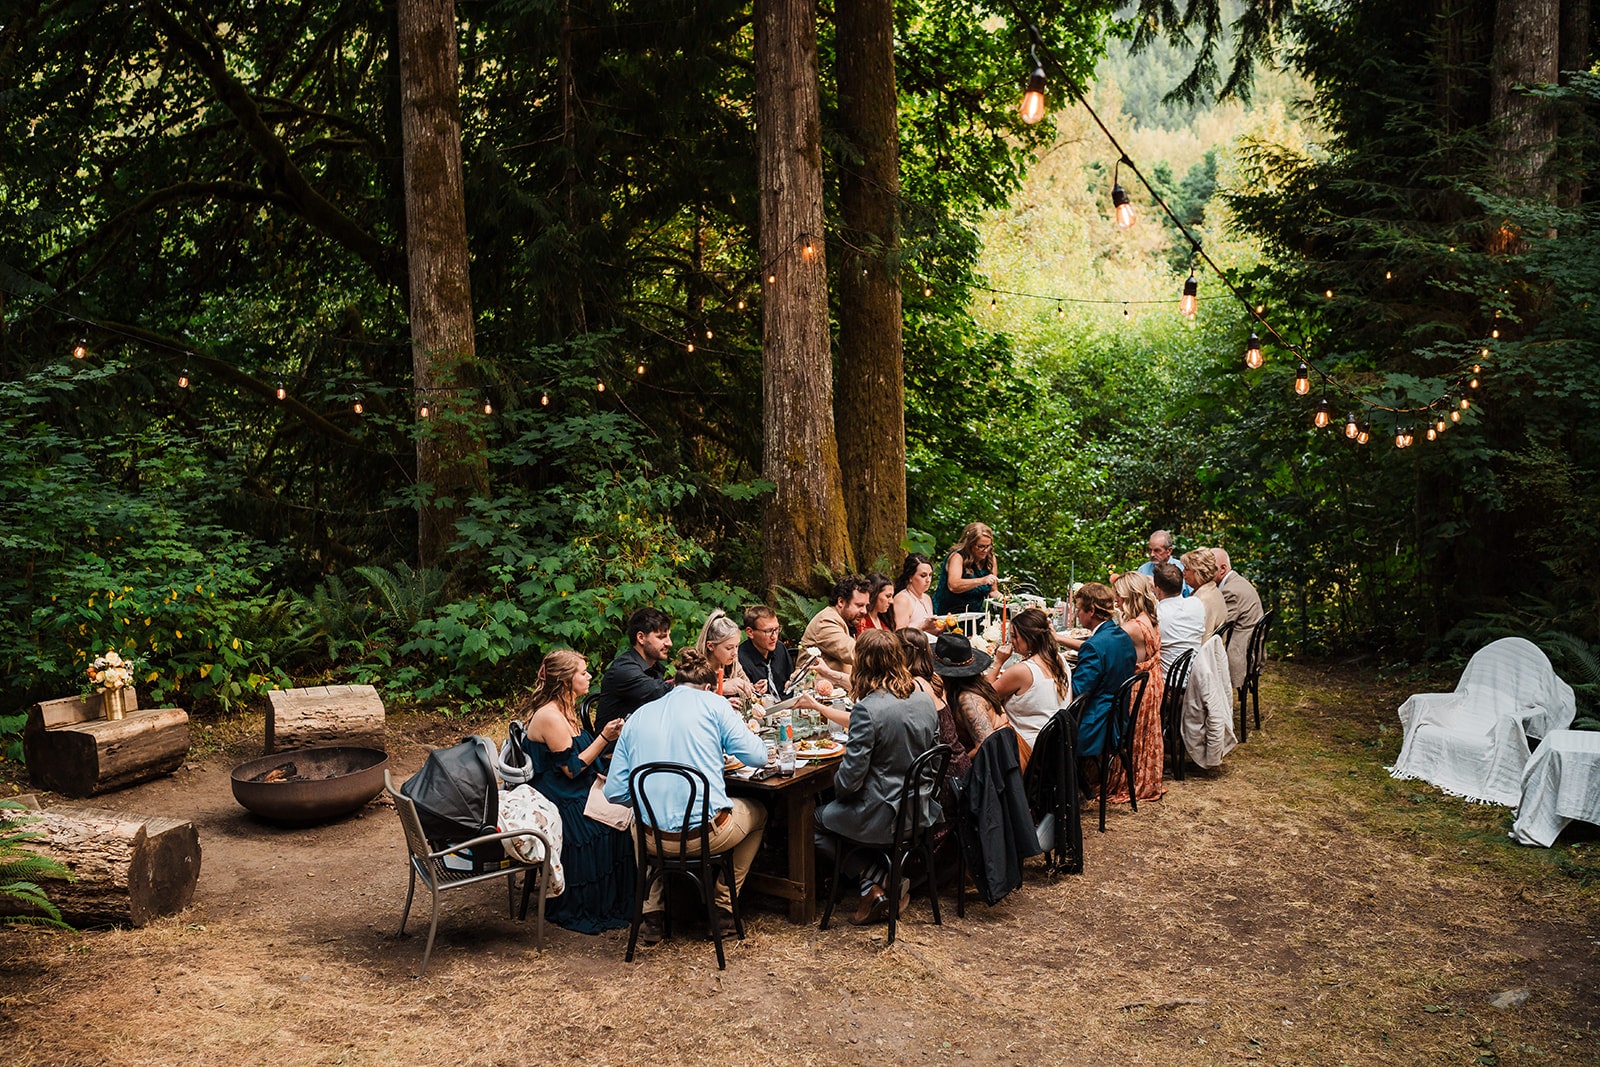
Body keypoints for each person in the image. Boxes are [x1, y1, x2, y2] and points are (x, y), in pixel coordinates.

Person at [603, 648, 769, 944]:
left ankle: (652, 911)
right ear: (708, 688)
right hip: (706, 835)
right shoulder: (715, 705)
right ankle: (723, 906)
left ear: (674, 683)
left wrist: (655, 795)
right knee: (759, 812)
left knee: (637, 819)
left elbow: (615, 792)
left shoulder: (640, 715)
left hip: (653, 839)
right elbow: (757, 756)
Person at [815, 630, 940, 925]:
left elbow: (849, 782)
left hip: (883, 816)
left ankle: (875, 877)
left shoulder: (867, 710)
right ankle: (877, 884)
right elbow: (932, 760)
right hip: (918, 809)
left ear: (862, 664)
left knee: (812, 819)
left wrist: (834, 792)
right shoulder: (924, 700)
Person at [517, 649, 634, 933]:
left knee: (626, 808)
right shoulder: (550, 716)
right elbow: (571, 768)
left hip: (576, 784)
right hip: (558, 793)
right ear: (566, 680)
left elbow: (582, 756)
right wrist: (605, 736)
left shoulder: (568, 708)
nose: (590, 676)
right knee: (601, 825)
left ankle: (624, 898)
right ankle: (588, 904)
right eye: (583, 672)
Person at [1103, 573, 1167, 803]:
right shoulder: (1149, 617)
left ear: (1128, 596)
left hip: (1137, 687)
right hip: (1151, 682)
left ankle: (1120, 777)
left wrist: (1056, 638)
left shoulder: (1131, 627)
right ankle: (1140, 774)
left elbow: (1100, 647)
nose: (1116, 601)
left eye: (1118, 597)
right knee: (1142, 734)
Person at [987, 607, 1072, 759]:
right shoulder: (1060, 659)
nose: (1011, 641)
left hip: (1027, 751)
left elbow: (985, 697)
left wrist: (998, 662)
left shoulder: (1023, 671)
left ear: (1030, 638)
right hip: (1057, 744)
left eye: (1014, 636)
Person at [1068, 582, 1137, 764]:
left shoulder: (1093, 646)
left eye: (1079, 609)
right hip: (1119, 718)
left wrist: (1059, 672)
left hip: (1096, 725)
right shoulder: (1122, 636)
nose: (1077, 614)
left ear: (1091, 611)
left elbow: (1076, 691)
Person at [930, 632, 1008, 765]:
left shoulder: (968, 699)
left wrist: (956, 761)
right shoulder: (976, 685)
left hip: (1004, 763)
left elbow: (986, 744)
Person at [596, 607, 672, 731]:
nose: (669, 643)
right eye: (661, 637)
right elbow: (657, 690)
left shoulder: (656, 668)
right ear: (641, 638)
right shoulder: (624, 669)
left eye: (668, 637)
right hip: (615, 748)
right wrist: (690, 679)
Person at [800, 574, 870, 683]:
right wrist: (885, 656)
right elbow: (853, 652)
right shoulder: (826, 621)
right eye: (859, 605)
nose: (864, 611)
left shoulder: (846, 620)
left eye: (866, 606)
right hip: (818, 692)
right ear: (841, 602)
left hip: (838, 690)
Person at [1213, 548, 1265, 691]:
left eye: (1209, 568)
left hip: (1241, 656)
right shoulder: (1237, 582)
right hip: (1249, 648)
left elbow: (1218, 627)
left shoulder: (1231, 591)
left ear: (1222, 568)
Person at [931, 522, 999, 615]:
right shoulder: (957, 557)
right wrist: (981, 581)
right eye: (981, 546)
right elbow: (953, 585)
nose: (986, 550)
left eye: (988, 546)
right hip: (950, 613)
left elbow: (993, 590)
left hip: (974, 614)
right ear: (970, 544)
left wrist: (1008, 600)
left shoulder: (990, 559)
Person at [696, 608, 760, 703]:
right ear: (710, 646)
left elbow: (746, 686)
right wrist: (720, 688)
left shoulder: (733, 663)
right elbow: (692, 700)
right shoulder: (695, 668)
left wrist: (753, 688)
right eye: (729, 648)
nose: (735, 652)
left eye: (737, 646)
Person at [1152, 561, 1205, 675]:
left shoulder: (1157, 615)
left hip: (1167, 684)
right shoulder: (1196, 604)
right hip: (1194, 677)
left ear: (1158, 589)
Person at [738, 605, 793, 696]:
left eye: (776, 629)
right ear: (750, 632)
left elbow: (790, 679)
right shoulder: (740, 659)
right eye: (768, 631)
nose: (774, 637)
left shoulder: (780, 648)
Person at [1181, 549, 1227, 641]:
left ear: (1198, 573)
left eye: (1187, 569)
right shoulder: (1212, 590)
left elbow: (1202, 639)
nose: (1183, 573)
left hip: (1206, 653)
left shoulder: (1203, 599)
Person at [891, 553, 942, 631]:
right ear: (910, 577)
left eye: (930, 575)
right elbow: (900, 633)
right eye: (923, 575)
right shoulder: (902, 599)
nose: (928, 580)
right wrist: (922, 626)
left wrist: (942, 627)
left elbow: (929, 632)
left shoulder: (927, 598)